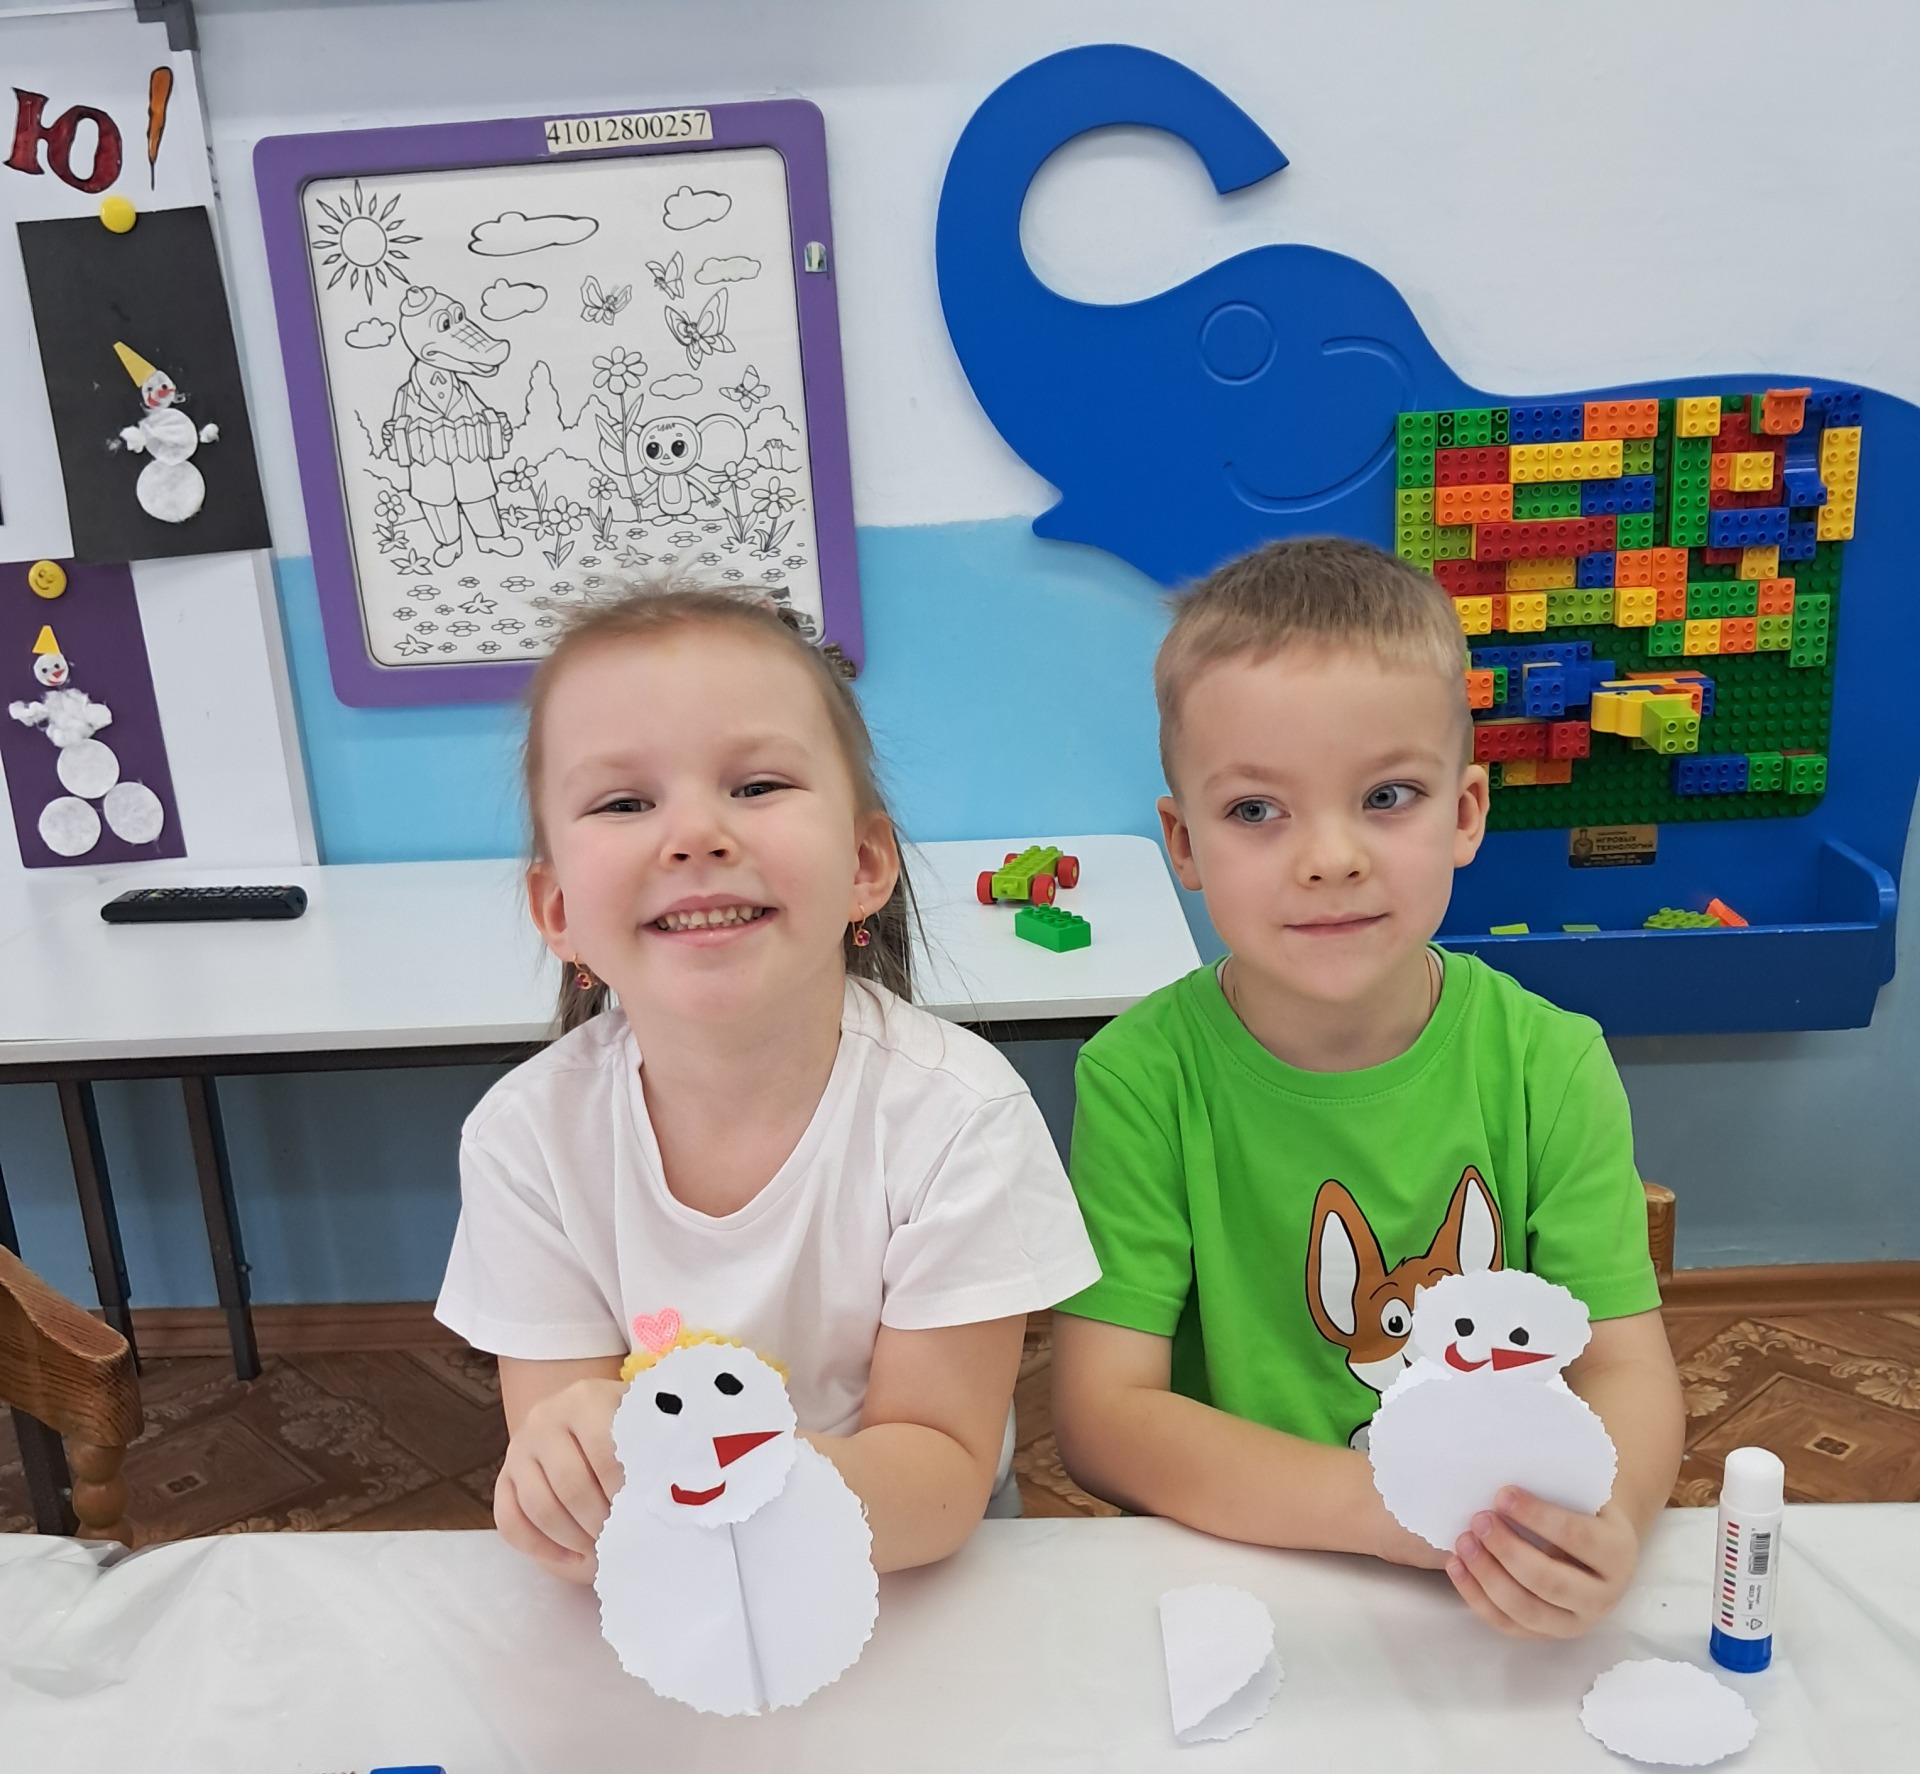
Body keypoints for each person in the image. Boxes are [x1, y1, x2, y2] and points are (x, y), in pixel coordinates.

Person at [1051, 537, 1685, 1639]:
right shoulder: (1141, 1077)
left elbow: (1626, 1366)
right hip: (1245, 1585)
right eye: (1257, 811)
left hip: (1492, 1592)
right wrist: (1395, 1510)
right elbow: (1103, 1418)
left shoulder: (1550, 1061)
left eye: (1387, 796)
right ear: (1183, 843)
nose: (1330, 857)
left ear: (1466, 813)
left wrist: (1607, 1523)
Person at [437, 586, 1096, 1581]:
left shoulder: (961, 1116)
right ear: (558, 907)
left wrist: (719, 1480)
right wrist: (563, 1485)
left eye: (756, 785)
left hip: (905, 1563)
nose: (695, 835)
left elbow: (939, 1477)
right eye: (624, 803)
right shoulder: (524, 1141)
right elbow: (570, 1475)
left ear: (865, 863)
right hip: (670, 1573)